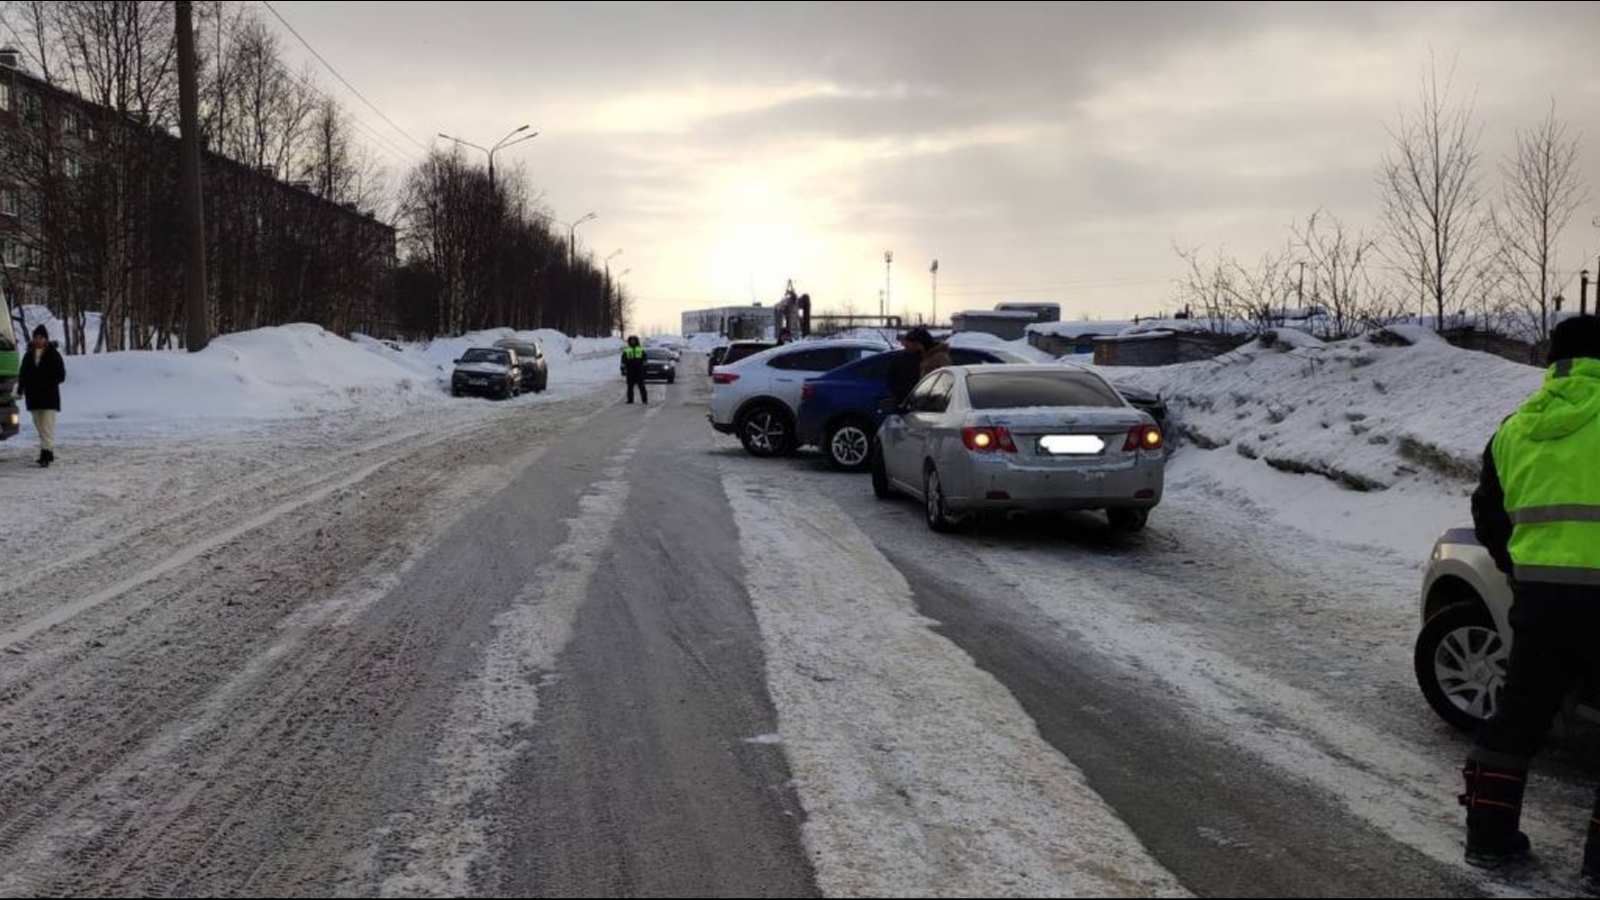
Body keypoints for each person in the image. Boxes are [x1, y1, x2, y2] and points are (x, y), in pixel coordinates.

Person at [1462, 315, 1600, 883]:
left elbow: (1488, 516)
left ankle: (1489, 841)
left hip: (1542, 599)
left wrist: (1522, 572)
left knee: (1518, 717)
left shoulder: (1513, 429)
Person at [16, 324, 65, 469]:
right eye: (36, 337)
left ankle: (45, 455)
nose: (38, 340)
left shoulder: (54, 354)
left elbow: (61, 375)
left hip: (49, 397)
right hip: (34, 397)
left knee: (47, 426)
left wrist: (46, 382)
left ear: (46, 339)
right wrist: (20, 389)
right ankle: (48, 451)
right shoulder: (28, 355)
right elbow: (23, 374)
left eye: (41, 337)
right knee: (39, 426)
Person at [887, 328, 928, 406]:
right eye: (906, 342)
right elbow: (890, 379)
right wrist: (899, 395)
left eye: (911, 342)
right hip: (904, 401)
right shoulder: (898, 359)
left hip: (923, 402)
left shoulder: (928, 358)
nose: (906, 344)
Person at [621, 336, 649, 406]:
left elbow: (645, 360)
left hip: (639, 371)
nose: (632, 342)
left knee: (641, 386)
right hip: (630, 371)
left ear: (637, 341)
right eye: (631, 340)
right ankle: (630, 400)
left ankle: (644, 400)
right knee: (630, 387)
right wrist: (623, 370)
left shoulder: (641, 350)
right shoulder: (626, 350)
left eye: (634, 340)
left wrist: (645, 369)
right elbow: (623, 361)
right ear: (629, 342)